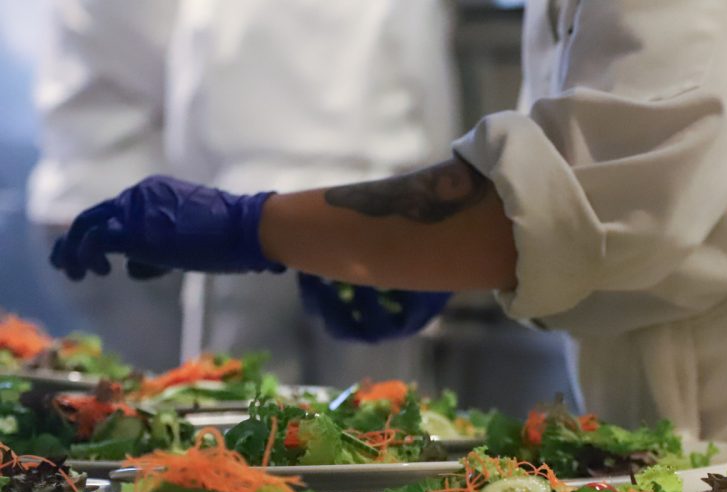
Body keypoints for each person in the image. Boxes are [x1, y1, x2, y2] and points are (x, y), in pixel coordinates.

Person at [50, 0, 727, 482]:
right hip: (695, 387)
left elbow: (600, 194)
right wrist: (426, 252)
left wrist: (255, 224)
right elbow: (586, 180)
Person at [29, 0, 459, 384]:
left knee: (233, 408)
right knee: (374, 411)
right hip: (366, 218)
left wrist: (209, 198)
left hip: (245, 218)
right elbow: (432, 105)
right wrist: (425, 219)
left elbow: (191, 103)